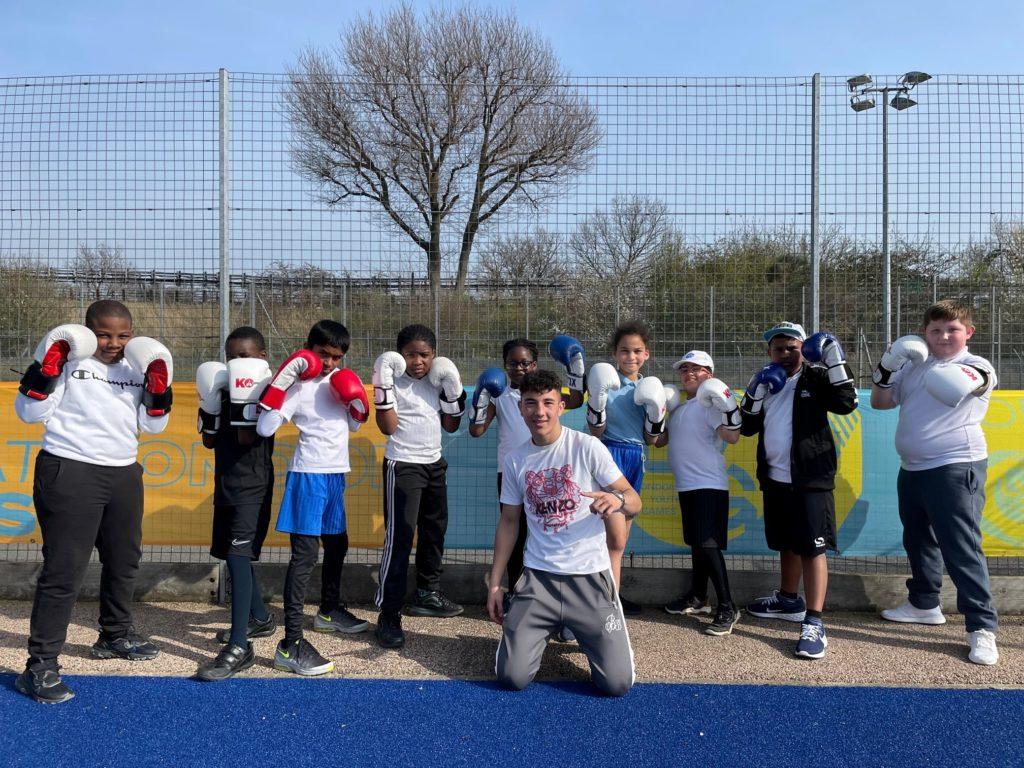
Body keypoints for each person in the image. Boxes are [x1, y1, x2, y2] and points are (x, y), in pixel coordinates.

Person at [14, 300, 172, 703]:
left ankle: (114, 636)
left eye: (122, 335)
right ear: (87, 331)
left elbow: (154, 425)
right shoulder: (70, 360)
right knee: (64, 569)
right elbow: (30, 413)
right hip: (70, 469)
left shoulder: (138, 366)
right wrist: (47, 367)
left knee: (124, 559)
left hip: (122, 471)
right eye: (104, 334)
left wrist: (158, 387)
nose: (113, 343)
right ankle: (40, 666)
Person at [487, 369, 640, 696]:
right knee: (511, 678)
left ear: (561, 406)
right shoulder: (516, 461)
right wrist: (496, 583)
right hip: (538, 580)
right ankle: (534, 632)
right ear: (520, 408)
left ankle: (596, 637)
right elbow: (509, 523)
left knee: (617, 685)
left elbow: (634, 501)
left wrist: (615, 498)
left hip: (589, 580)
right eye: (530, 403)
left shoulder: (588, 448)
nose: (538, 411)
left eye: (547, 402)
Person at [871, 300, 1000, 665]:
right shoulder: (914, 365)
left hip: (956, 466)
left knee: (961, 547)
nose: (944, 336)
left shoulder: (976, 365)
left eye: (953, 329)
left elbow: (978, 382)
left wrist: (952, 375)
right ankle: (924, 603)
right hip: (912, 467)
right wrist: (887, 366)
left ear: (969, 333)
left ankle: (982, 628)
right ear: (924, 332)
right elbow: (881, 402)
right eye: (936, 330)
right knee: (918, 539)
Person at [256, 320, 370, 676]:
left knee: (338, 546)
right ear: (310, 350)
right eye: (325, 354)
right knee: (304, 557)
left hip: (335, 475)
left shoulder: (340, 382)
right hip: (308, 476)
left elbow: (354, 425)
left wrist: (353, 398)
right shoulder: (299, 387)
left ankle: (328, 611)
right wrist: (284, 380)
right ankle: (290, 644)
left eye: (338, 356)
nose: (332, 362)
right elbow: (265, 427)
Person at [739, 321, 857, 660]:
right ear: (769, 352)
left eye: (792, 347)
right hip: (775, 478)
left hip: (810, 479)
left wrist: (834, 356)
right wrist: (756, 391)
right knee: (787, 543)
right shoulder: (764, 379)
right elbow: (747, 428)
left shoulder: (817, 378)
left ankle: (814, 622)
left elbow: (847, 402)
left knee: (812, 548)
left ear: (804, 349)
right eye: (779, 348)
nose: (786, 353)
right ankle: (789, 599)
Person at [468, 335, 585, 613]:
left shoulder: (543, 397)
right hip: (511, 474)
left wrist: (576, 368)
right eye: (513, 363)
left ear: (535, 364)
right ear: (504, 366)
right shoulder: (500, 395)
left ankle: (553, 600)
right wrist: (480, 400)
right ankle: (518, 596)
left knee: (547, 533)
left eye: (525, 363)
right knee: (515, 537)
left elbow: (577, 399)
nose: (519, 368)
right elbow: (476, 430)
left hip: (546, 474)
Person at [372, 324, 465, 649]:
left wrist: (453, 390)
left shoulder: (436, 381)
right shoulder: (393, 380)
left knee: (434, 531)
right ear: (400, 355)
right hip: (403, 465)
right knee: (399, 538)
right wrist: (383, 388)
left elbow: (451, 425)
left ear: (434, 356)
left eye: (424, 354)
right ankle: (388, 613)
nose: (418, 361)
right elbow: (387, 427)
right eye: (411, 354)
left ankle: (427, 593)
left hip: (434, 463)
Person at [194, 326, 277, 681]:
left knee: (239, 557)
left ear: (261, 358)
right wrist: (211, 403)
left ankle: (240, 647)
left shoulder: (269, 393)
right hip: (227, 482)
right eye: (232, 357)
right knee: (231, 554)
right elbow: (210, 442)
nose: (236, 363)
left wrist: (245, 392)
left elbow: (247, 436)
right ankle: (260, 618)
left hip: (253, 485)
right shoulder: (221, 387)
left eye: (244, 356)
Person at [656, 351, 742, 635]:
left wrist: (728, 403)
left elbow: (732, 436)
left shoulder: (710, 406)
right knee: (697, 543)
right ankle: (698, 597)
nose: (688, 373)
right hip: (687, 485)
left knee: (708, 544)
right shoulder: (679, 409)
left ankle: (728, 606)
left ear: (710, 375)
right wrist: (656, 412)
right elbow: (659, 442)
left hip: (710, 485)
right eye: (684, 369)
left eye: (696, 369)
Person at [586, 320, 666, 615]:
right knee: (613, 541)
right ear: (615, 354)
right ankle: (604, 608)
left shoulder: (649, 388)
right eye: (624, 351)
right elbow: (596, 432)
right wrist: (597, 399)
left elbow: (652, 439)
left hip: (636, 457)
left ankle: (610, 602)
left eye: (636, 351)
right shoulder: (606, 383)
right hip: (609, 455)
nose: (630, 357)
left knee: (619, 539)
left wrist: (656, 412)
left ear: (646, 354)